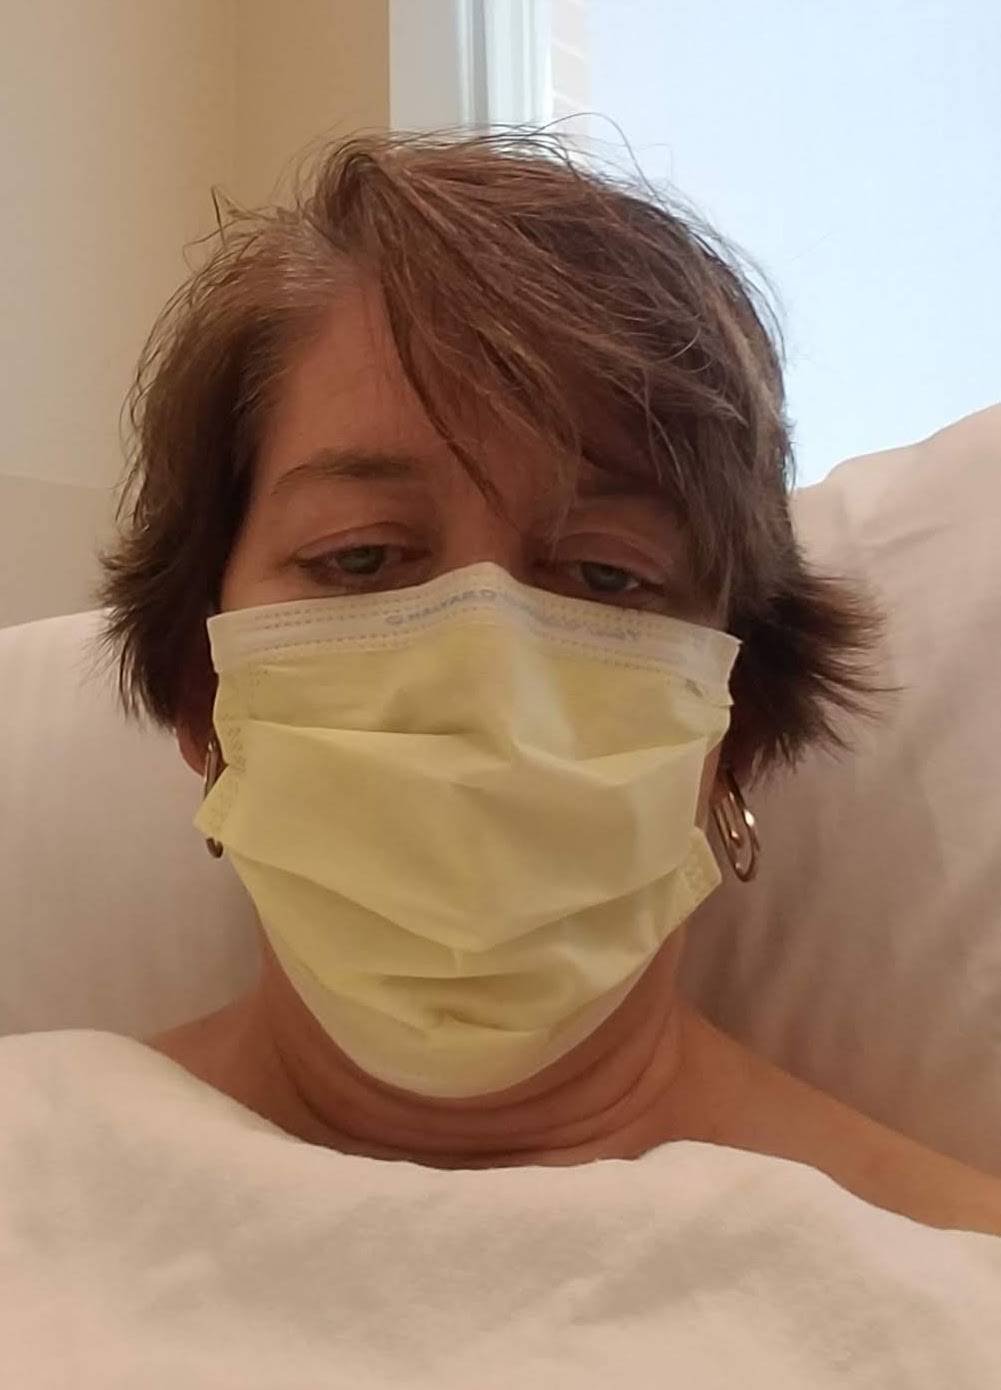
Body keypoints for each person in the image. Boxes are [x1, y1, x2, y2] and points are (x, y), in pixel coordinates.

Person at [98, 130, 1001, 1235]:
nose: (487, 679)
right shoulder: (36, 1185)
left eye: (606, 575)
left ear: (732, 727)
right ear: (202, 697)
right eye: (362, 557)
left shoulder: (949, 1285)